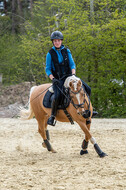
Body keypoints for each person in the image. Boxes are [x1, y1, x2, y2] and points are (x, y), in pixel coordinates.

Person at [45, 31, 96, 126]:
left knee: (87, 88)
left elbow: (72, 64)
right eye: (55, 41)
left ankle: (90, 109)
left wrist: (73, 74)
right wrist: (52, 78)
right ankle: (52, 116)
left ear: (61, 41)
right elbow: (47, 68)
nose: (57, 42)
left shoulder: (67, 51)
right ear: (53, 42)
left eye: (59, 40)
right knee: (56, 96)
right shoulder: (50, 53)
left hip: (69, 76)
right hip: (58, 79)